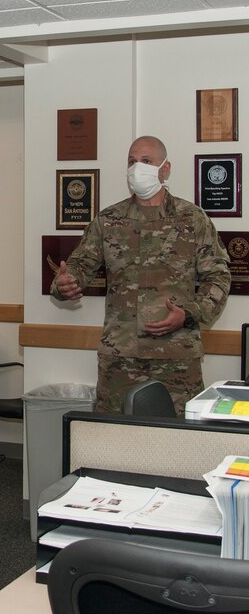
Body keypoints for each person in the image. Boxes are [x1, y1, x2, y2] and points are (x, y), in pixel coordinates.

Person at [52, 135, 230, 413]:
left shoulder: (192, 219)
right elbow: (78, 266)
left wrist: (190, 313)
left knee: (179, 440)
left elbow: (218, 277)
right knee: (113, 441)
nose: (137, 168)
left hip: (176, 357)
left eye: (146, 161)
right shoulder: (109, 220)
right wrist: (65, 284)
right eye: (132, 161)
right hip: (120, 356)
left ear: (165, 169)